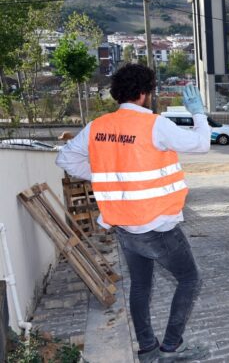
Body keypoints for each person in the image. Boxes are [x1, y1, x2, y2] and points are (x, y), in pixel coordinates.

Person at [55, 64, 210, 363]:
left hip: (124, 226)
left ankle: (148, 350)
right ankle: (170, 347)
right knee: (190, 279)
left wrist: (105, 174)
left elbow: (66, 158)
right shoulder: (154, 125)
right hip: (158, 226)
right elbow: (202, 143)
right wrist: (199, 114)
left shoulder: (97, 126)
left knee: (140, 286)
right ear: (143, 93)